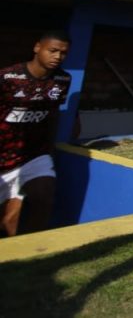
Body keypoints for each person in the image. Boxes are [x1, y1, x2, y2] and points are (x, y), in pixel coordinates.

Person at [0, 31, 72, 237]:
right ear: (37, 48)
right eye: (53, 50)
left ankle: (33, 254)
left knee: (43, 194)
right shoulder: (8, 78)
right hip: (3, 154)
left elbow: (53, 114)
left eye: (63, 53)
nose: (58, 57)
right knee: (7, 220)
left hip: (34, 155)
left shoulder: (62, 79)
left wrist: (49, 150)